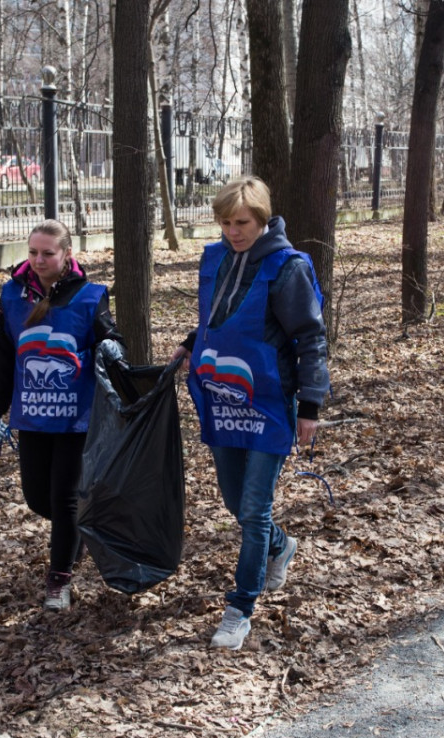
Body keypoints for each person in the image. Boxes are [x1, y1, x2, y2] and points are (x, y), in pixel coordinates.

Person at [172, 176, 330, 650]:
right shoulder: (217, 257)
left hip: (269, 403)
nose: (232, 231)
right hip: (222, 398)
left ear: (261, 219)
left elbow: (310, 337)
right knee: (235, 503)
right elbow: (212, 318)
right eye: (224, 223)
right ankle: (283, 547)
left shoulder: (287, 268)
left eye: (240, 222)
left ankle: (240, 607)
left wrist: (310, 406)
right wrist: (187, 345)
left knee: (255, 509)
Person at [0, 219, 124, 611]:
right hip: (32, 416)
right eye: (33, 252)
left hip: (75, 418)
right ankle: (75, 534)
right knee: (38, 499)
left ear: (67, 255)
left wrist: (113, 350)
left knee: (63, 498)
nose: (39, 260)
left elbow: (109, 338)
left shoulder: (89, 295)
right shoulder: (12, 296)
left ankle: (58, 579)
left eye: (48, 253)